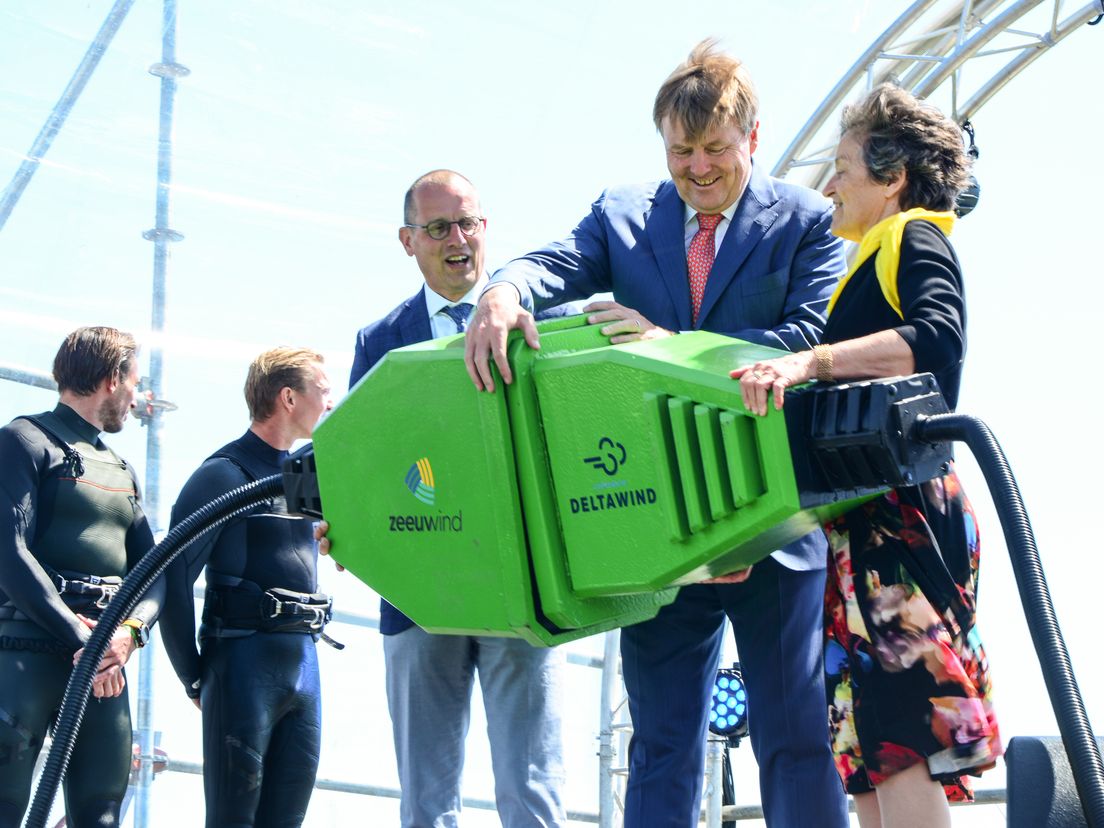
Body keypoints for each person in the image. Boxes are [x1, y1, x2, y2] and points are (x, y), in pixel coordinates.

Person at [463, 41, 850, 828]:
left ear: (753, 136)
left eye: (715, 149)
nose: (698, 167)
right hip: (656, 529)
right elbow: (556, 261)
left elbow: (806, 339)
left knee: (797, 740)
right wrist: (502, 290)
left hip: (775, 526)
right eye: (682, 151)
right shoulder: (621, 214)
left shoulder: (811, 223)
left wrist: (665, 348)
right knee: (661, 745)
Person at [732, 84, 1001, 828]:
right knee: (864, 752)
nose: (828, 186)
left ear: (892, 178)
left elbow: (937, 338)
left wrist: (810, 363)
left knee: (898, 739)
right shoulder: (868, 260)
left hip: (900, 519)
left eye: (844, 167)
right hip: (857, 523)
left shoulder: (913, 235)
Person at [346, 169, 567, 828]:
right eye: (438, 227)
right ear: (407, 240)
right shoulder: (378, 341)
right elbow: (361, 459)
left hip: (521, 592)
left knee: (532, 791)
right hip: (419, 598)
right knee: (427, 804)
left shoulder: (542, 323)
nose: (457, 239)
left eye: (468, 222)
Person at [159, 347, 335, 828]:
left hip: (304, 670)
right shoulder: (224, 474)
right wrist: (192, 674)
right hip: (241, 669)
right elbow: (172, 577)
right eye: (323, 391)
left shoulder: (303, 476)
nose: (332, 403)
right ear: (288, 398)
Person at [0, 325, 163, 828]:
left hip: (100, 668)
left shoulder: (122, 469)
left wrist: (128, 636)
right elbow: (8, 551)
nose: (137, 399)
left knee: (101, 815)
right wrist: (86, 643)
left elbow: (156, 570)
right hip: (26, 652)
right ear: (113, 379)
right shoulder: (24, 439)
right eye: (135, 383)